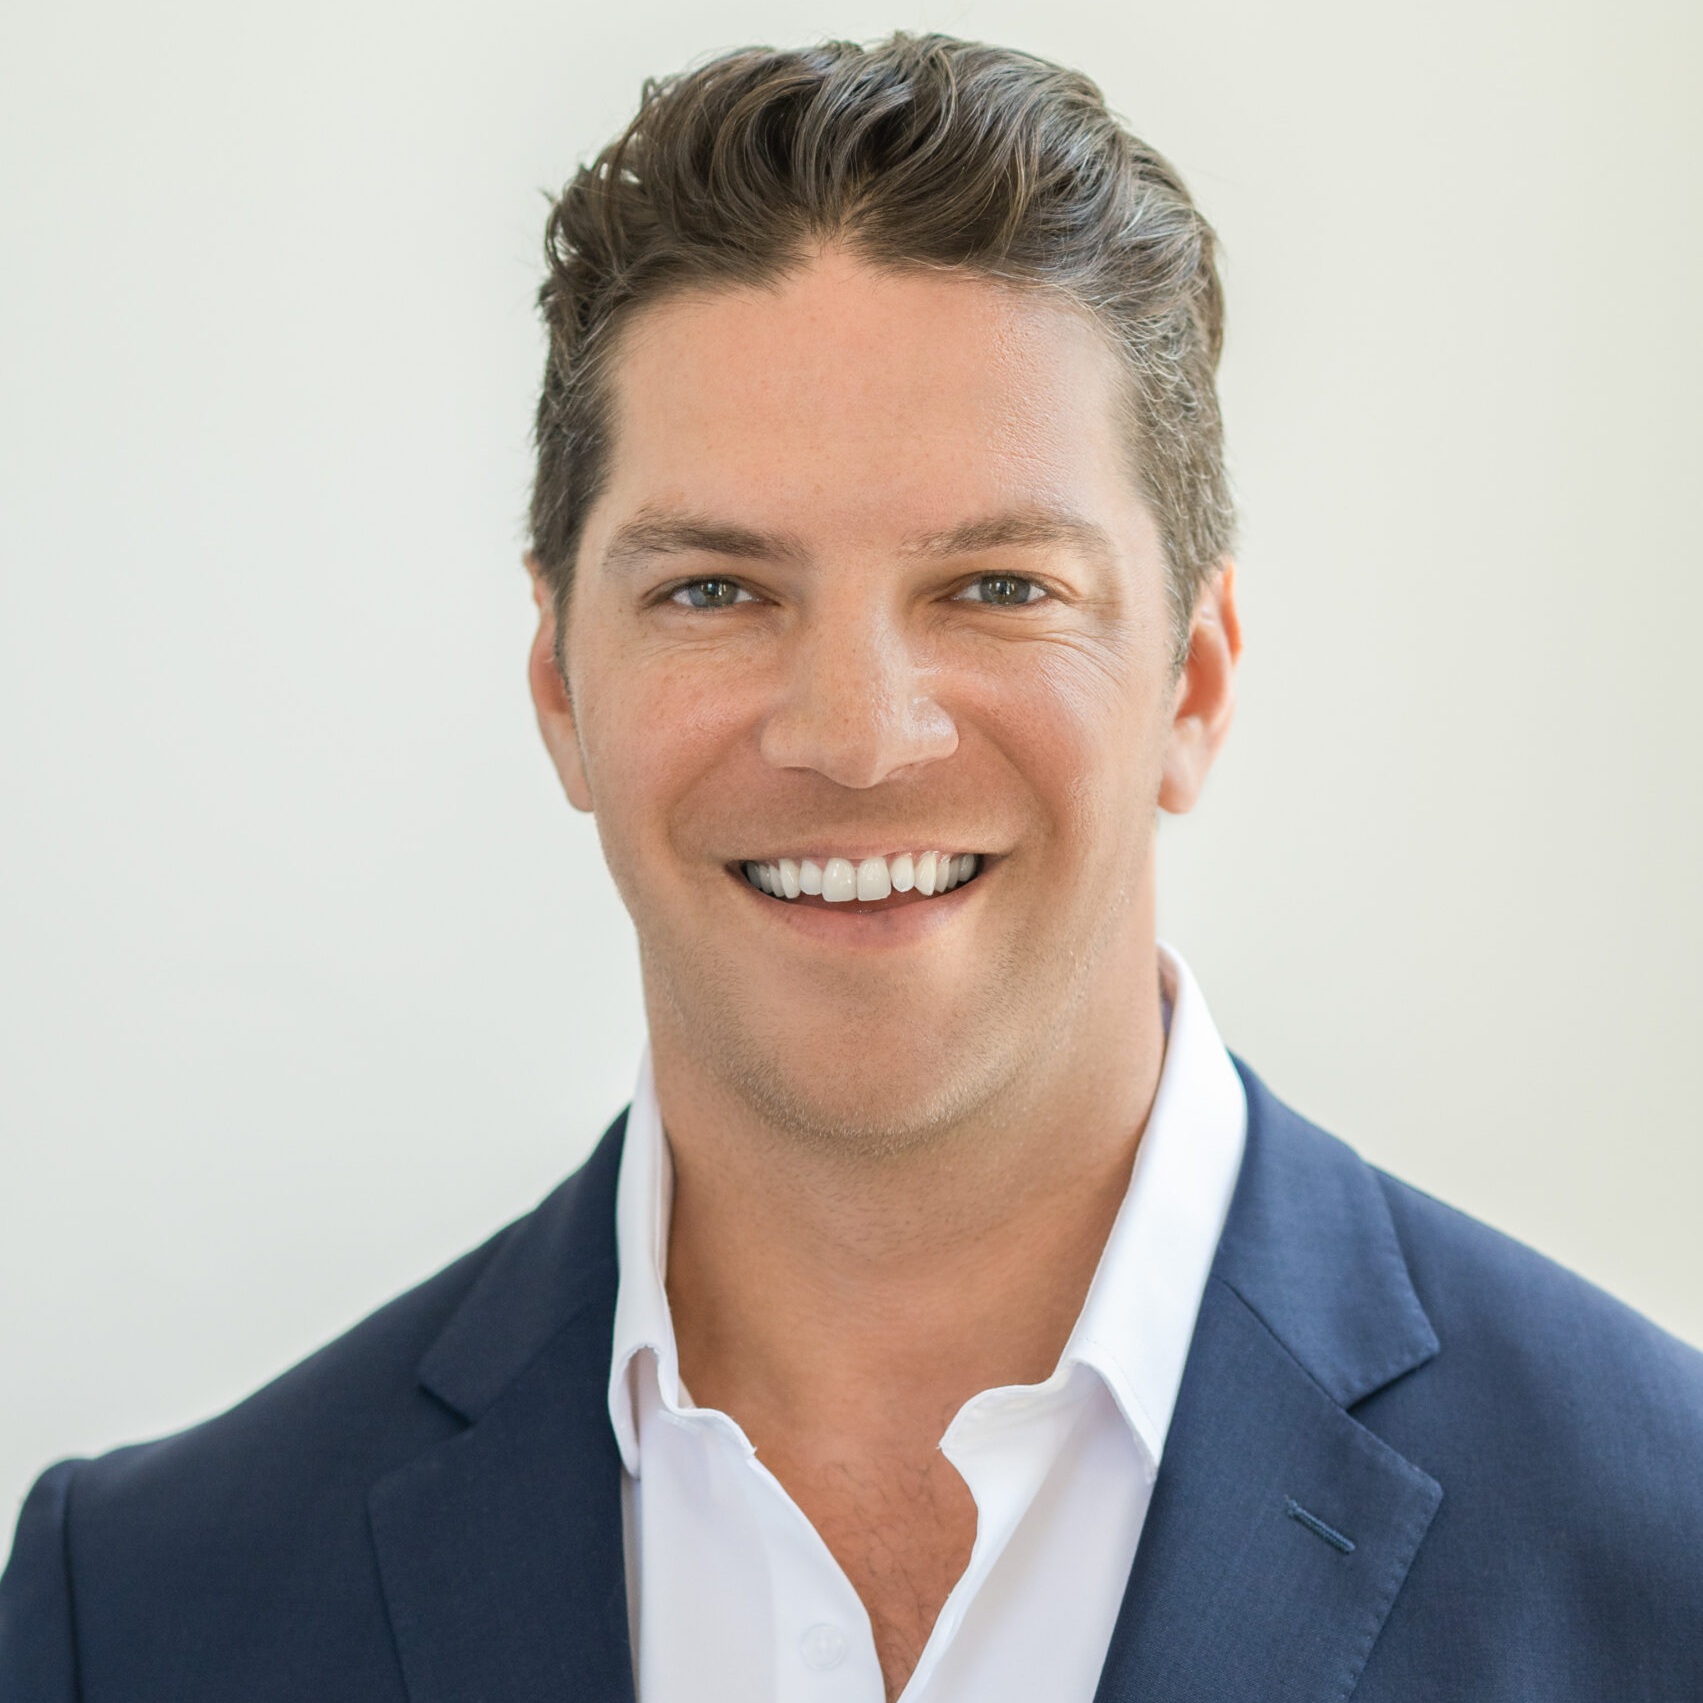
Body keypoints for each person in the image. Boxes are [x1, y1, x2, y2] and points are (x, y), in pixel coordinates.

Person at [3, 32, 1699, 1703]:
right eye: (716, 592)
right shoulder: (144, 1610)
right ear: (561, 693)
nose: (858, 735)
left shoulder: (1665, 1553)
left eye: (999, 586)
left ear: (1193, 682)